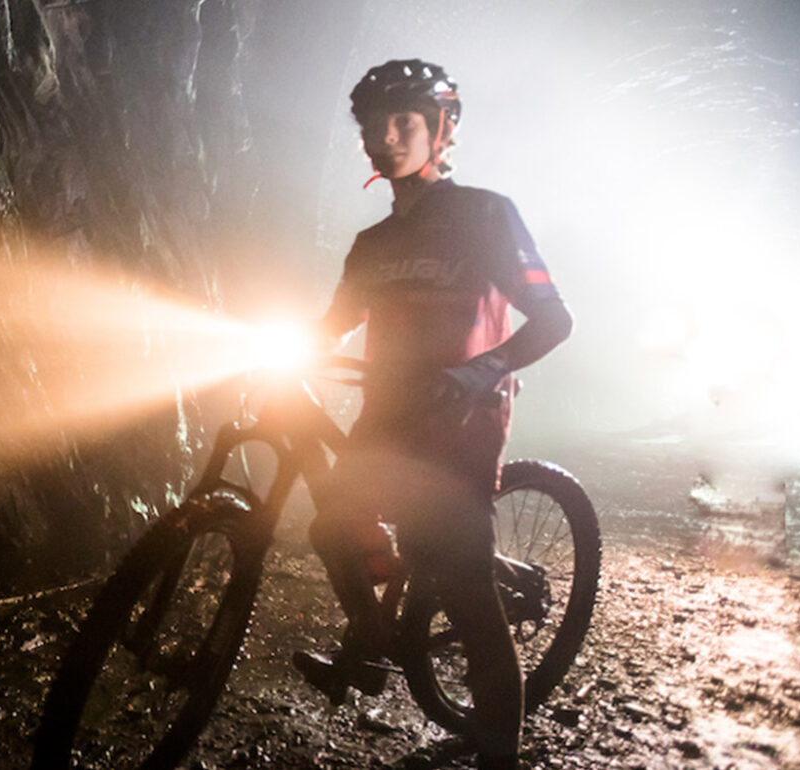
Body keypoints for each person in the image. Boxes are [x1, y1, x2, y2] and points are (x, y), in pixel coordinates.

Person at [293, 59, 574, 770]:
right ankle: (376, 641)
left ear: (441, 128)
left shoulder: (486, 215)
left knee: (468, 596)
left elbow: (554, 319)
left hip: (461, 428)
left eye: (403, 122)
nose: (384, 137)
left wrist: (481, 371)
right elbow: (331, 325)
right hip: (386, 419)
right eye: (370, 126)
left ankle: (498, 756)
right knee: (331, 526)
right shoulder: (372, 246)